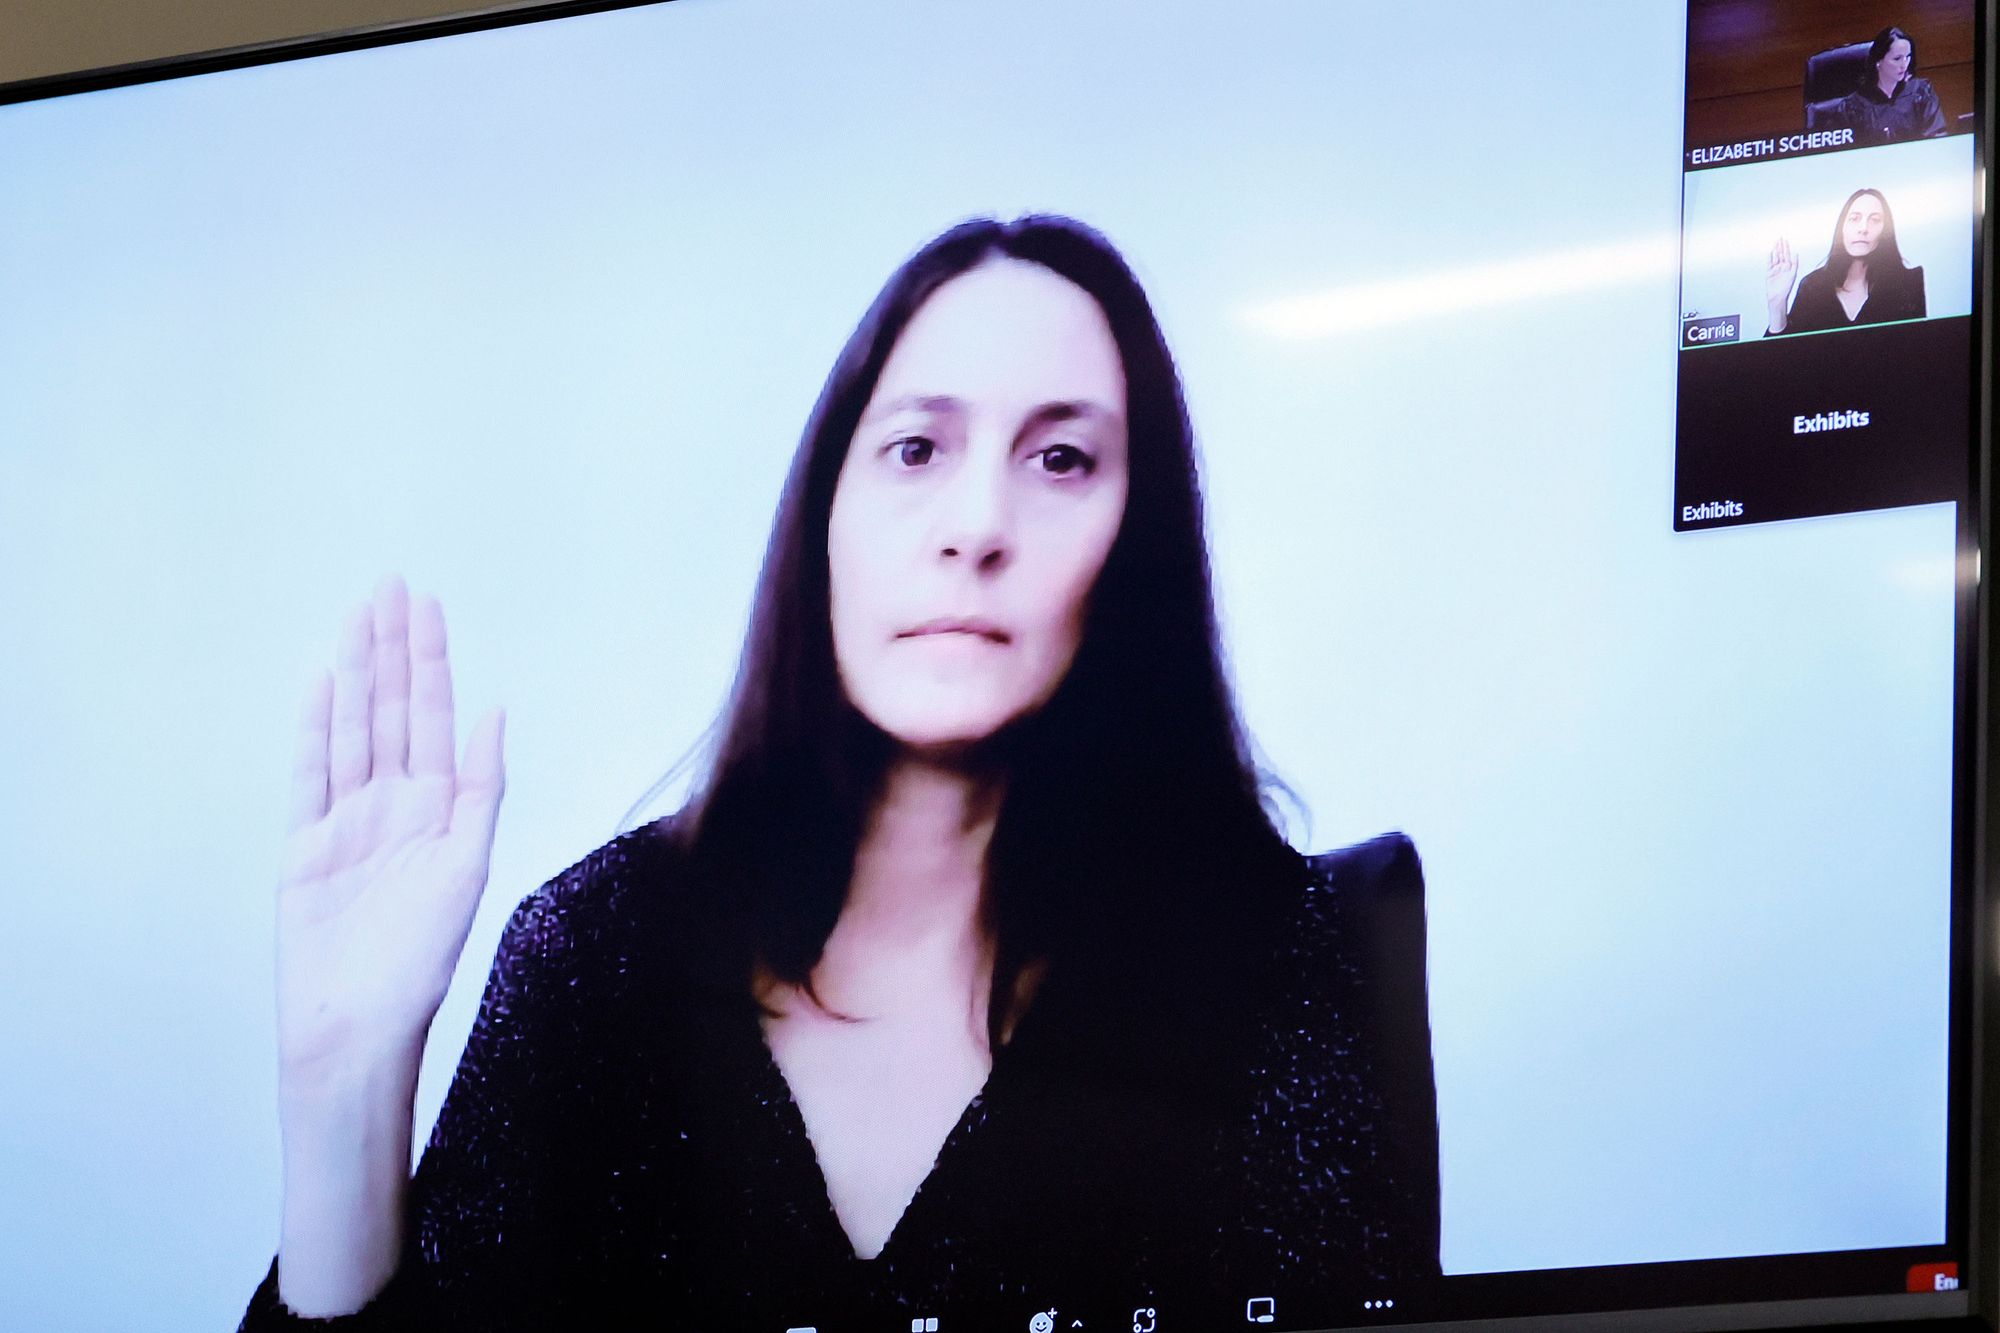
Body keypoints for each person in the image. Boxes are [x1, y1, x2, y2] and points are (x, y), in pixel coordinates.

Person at [238, 216, 1440, 1331]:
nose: (976, 524)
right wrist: (342, 1092)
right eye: (915, 447)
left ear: (1141, 534)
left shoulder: (1285, 955)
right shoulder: (597, 955)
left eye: (1061, 458)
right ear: (827, 512)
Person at [1764, 187, 1926, 337]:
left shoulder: (1909, 283)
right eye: (1854, 219)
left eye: (1875, 220)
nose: (1863, 228)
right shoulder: (1812, 286)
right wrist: (1777, 305)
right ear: (1842, 227)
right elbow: (1785, 358)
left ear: (1886, 230)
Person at [1827, 26, 1947, 144]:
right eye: (1897, 58)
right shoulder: (1852, 107)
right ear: (1878, 61)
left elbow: (1937, 139)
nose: (1904, 65)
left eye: (1908, 57)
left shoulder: (1921, 92)